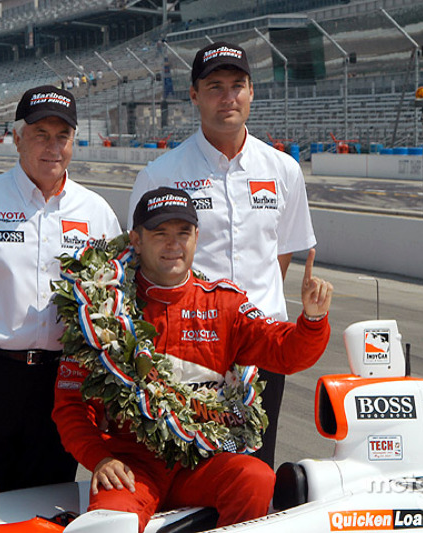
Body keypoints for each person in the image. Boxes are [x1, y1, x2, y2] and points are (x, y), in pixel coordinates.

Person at [54, 187, 332, 531]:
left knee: (256, 478)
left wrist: (313, 320)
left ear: (197, 237)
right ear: (136, 240)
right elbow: (70, 407)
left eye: (183, 233)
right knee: (111, 521)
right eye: (161, 234)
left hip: (201, 462)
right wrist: (100, 458)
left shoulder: (225, 304)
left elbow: (286, 353)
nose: (174, 244)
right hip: (132, 466)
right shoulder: (100, 310)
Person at [0, 85, 122, 493]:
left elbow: (116, 309)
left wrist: (106, 395)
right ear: (16, 138)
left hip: (62, 383)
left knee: (47, 503)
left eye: (62, 136)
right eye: (40, 134)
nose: (53, 147)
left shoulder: (96, 211)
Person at [127, 41, 316, 468]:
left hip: (263, 344)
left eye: (237, 85)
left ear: (251, 92)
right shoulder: (162, 174)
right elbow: (141, 261)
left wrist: (250, 316)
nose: (227, 97)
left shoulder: (283, 169)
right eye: (215, 87)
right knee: (187, 469)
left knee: (255, 469)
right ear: (194, 95)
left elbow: (282, 254)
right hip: (190, 345)